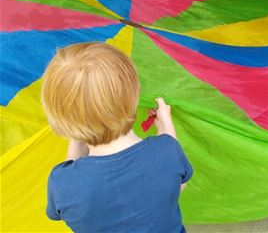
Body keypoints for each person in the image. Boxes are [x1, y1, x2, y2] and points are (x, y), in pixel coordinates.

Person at [41, 43, 192, 232]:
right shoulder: (167, 151)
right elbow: (176, 187)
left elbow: (59, 212)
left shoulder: (62, 182)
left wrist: (78, 135)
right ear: (133, 99)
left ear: (62, 121)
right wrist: (167, 130)